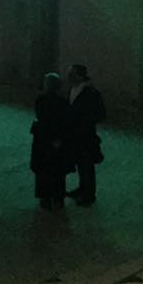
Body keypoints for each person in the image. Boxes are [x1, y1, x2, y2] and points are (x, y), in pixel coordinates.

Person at [65, 64, 106, 206]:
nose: (69, 77)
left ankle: (89, 195)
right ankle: (82, 188)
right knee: (81, 164)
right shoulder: (73, 89)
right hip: (76, 133)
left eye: (72, 74)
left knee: (87, 165)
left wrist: (85, 122)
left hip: (85, 135)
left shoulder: (90, 92)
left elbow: (100, 114)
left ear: (80, 76)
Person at [30, 72, 70, 210]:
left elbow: (41, 117)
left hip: (43, 138)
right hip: (58, 139)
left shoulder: (40, 100)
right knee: (58, 170)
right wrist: (59, 139)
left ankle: (45, 198)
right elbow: (65, 121)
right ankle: (58, 198)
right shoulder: (64, 101)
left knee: (43, 170)